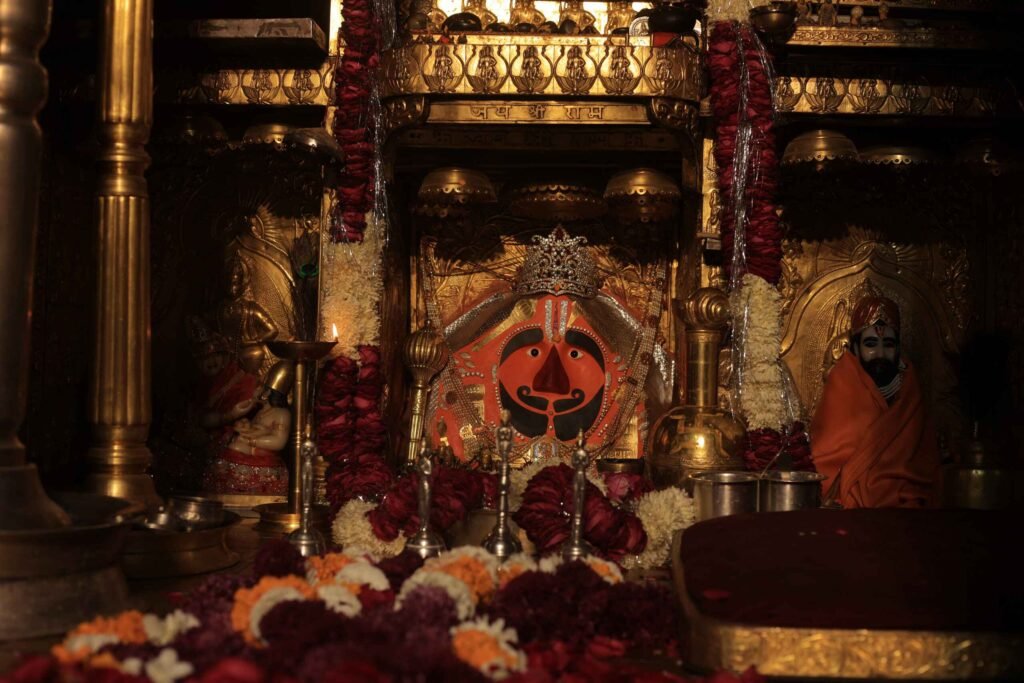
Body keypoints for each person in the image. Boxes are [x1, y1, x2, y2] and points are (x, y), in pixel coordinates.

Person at [810, 295, 939, 508]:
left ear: (897, 348)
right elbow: (826, 461)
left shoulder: (909, 389)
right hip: (849, 502)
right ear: (856, 346)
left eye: (888, 344)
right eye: (870, 344)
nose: (880, 353)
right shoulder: (842, 383)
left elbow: (922, 463)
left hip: (905, 505)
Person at [204, 361, 293, 495]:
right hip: (252, 444)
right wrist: (245, 426)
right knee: (231, 444)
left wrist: (252, 441)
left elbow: (279, 441)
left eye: (260, 387)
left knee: (235, 447)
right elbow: (255, 428)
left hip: (262, 450)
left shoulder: (281, 414)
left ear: (267, 393)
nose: (255, 390)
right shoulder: (260, 411)